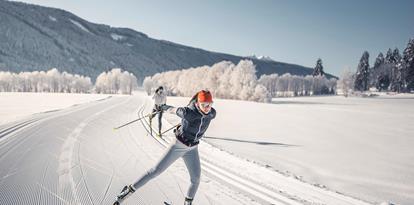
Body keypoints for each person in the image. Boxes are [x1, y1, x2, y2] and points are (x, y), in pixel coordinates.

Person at [114, 90, 216, 205]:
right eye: (204, 105)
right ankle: (127, 192)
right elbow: (173, 110)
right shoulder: (188, 112)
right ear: (197, 103)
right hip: (178, 145)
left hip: (192, 149)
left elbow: (200, 123)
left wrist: (184, 126)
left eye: (209, 104)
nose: (207, 108)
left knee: (196, 179)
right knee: (155, 171)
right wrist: (162, 107)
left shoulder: (212, 114)